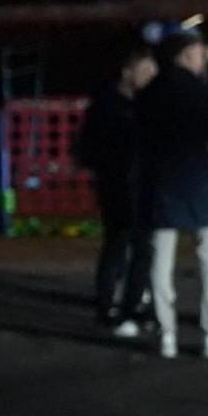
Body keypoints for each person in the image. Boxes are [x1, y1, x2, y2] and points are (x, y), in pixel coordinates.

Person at [133, 30, 208, 360]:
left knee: (160, 261)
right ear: (185, 56)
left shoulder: (149, 94)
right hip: (203, 185)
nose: (203, 59)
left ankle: (166, 333)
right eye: (199, 53)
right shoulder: (204, 93)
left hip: (161, 185)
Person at [77, 45, 156, 338]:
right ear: (128, 71)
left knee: (142, 247)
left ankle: (134, 303)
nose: (150, 76)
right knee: (118, 243)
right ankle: (109, 304)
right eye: (145, 70)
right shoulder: (107, 105)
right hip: (116, 185)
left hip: (140, 185)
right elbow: (92, 149)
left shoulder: (144, 104)